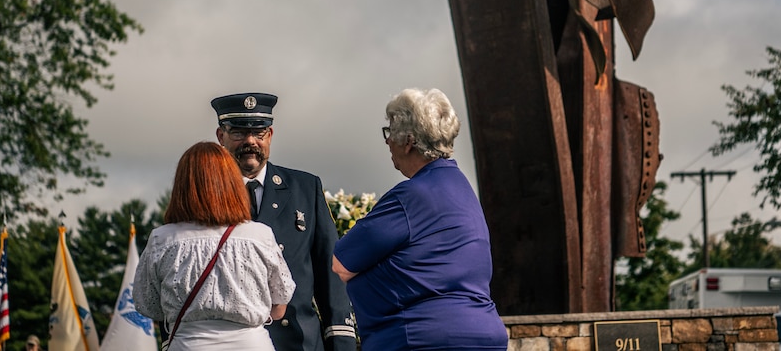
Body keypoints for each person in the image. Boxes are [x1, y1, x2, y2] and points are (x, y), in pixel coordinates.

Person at [332, 88, 509, 350]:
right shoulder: (462, 189)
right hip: (484, 334)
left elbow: (340, 264)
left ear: (409, 141)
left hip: (422, 338)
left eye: (390, 131)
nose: (387, 141)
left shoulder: (410, 196)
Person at [212, 92, 356, 351]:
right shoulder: (205, 195)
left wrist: (341, 341)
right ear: (220, 137)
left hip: (298, 343)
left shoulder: (305, 188)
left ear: (271, 135)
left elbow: (329, 274)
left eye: (259, 133)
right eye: (238, 133)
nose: (250, 142)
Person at [133, 141, 295, 350]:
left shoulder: (162, 239)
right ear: (232, 183)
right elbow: (280, 304)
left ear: (183, 185)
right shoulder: (259, 235)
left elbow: (148, 305)